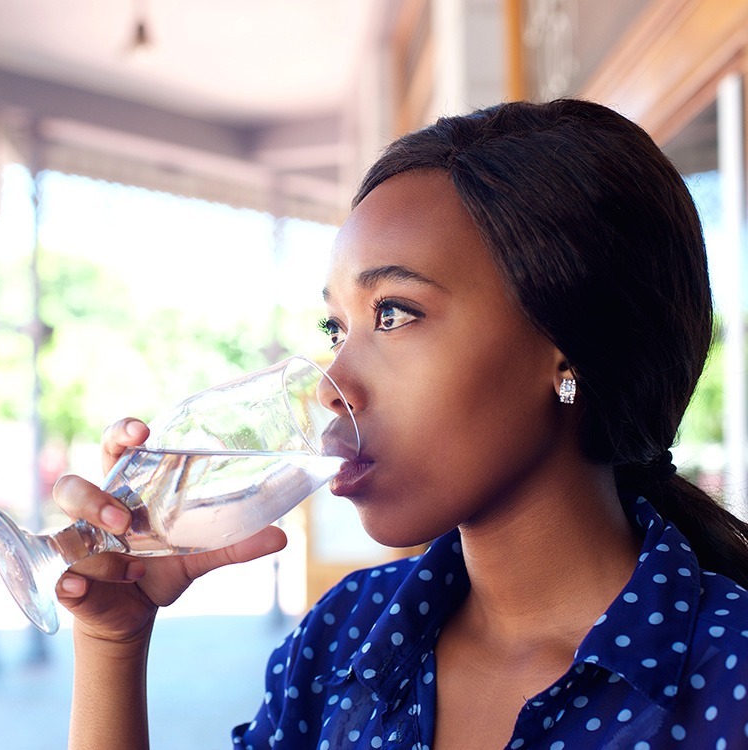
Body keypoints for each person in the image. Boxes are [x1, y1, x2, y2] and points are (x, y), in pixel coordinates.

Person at [51, 99, 748, 749]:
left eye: (393, 313)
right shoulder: (341, 639)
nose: (332, 387)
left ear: (566, 352)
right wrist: (113, 643)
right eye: (337, 325)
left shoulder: (730, 675)